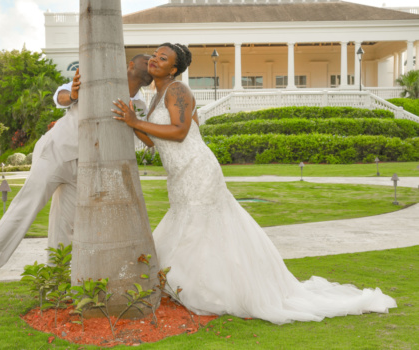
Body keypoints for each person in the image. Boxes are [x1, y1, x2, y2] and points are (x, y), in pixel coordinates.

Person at [112, 43, 397, 324]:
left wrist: (135, 122)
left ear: (174, 68)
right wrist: (132, 123)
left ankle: (213, 291)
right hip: (178, 176)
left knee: (200, 227)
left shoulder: (177, 90)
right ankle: (189, 285)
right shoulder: (155, 96)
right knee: (192, 224)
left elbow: (179, 131)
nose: (154, 60)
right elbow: (153, 140)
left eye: (163, 58)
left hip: (197, 169)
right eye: (154, 55)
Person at [0, 54, 153, 300]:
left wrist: (136, 120)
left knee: (65, 228)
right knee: (26, 207)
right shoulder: (97, 78)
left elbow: (146, 139)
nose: (151, 63)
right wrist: (74, 95)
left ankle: (56, 286)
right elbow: (61, 96)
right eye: (147, 59)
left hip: (86, 167)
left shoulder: (140, 106)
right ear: (130, 65)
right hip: (56, 152)